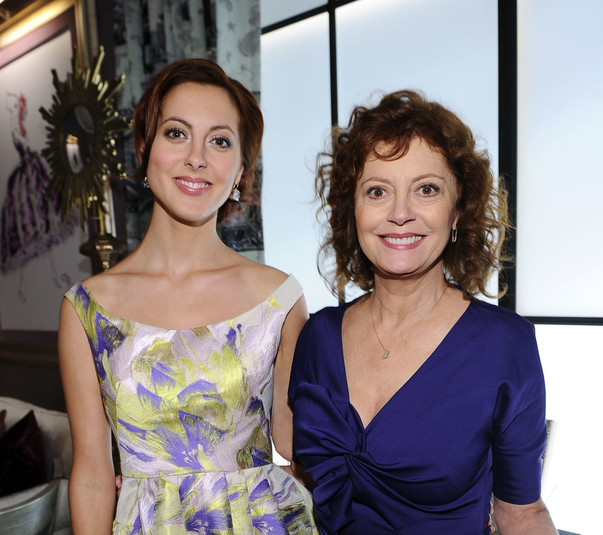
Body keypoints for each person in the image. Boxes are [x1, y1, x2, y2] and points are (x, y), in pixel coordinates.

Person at [58, 59, 317, 534]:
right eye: (176, 133)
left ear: (241, 170)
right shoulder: (87, 309)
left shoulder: (278, 298)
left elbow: (301, 445)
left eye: (219, 141)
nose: (196, 157)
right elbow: (92, 475)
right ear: (146, 149)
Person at [287, 90, 558, 534]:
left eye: (426, 190)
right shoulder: (317, 337)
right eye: (377, 191)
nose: (400, 214)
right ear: (353, 210)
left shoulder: (504, 345)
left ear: (458, 210)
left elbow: (522, 513)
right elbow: (302, 481)